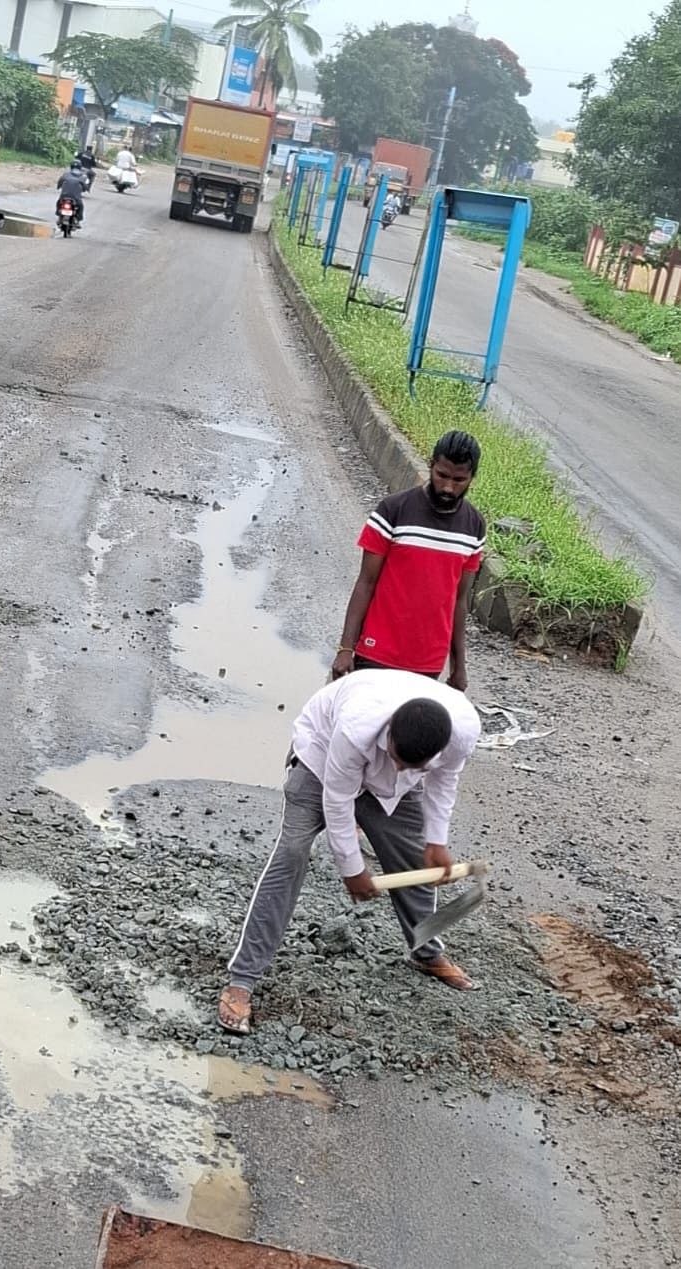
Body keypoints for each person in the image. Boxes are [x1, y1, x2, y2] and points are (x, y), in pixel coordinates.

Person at [217, 671, 482, 1035]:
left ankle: (426, 952)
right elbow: (338, 799)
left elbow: (443, 782)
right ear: (389, 734)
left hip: (394, 788)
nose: (399, 768)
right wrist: (352, 868)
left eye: (412, 767)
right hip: (321, 759)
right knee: (291, 854)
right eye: (396, 758)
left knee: (414, 856)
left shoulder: (463, 731)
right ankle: (242, 980)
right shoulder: (356, 726)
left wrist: (437, 840)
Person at [332, 430, 485, 692]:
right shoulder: (393, 510)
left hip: (428, 661)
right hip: (377, 651)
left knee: (409, 732)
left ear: (472, 477)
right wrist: (346, 648)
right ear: (431, 464)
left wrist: (459, 666)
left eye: (459, 480)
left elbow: (459, 600)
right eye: (442, 475)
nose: (448, 487)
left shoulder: (474, 526)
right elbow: (365, 583)